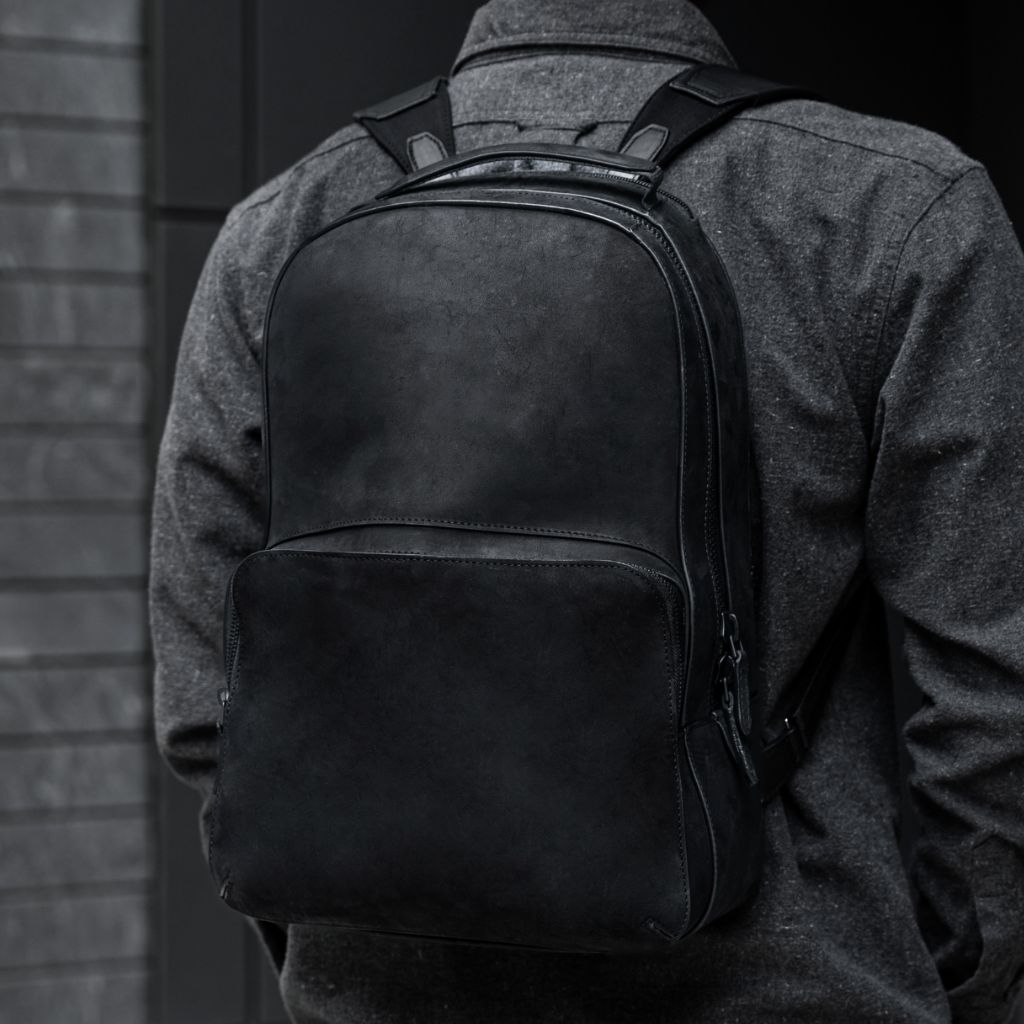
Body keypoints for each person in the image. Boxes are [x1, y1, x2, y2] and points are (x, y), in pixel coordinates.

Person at [149, 1, 1024, 1020]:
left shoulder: (283, 221)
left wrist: (339, 946)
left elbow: (205, 695)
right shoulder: (893, 204)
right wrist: (956, 976)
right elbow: (994, 677)